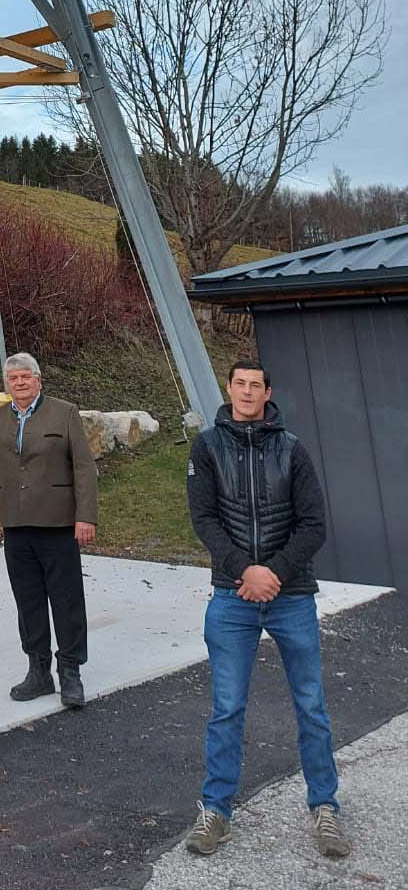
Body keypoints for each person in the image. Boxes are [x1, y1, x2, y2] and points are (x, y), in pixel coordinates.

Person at [183, 360, 349, 860]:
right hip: (232, 597)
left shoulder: (292, 449)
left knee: (311, 707)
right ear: (230, 390)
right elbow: (204, 519)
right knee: (227, 709)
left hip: (291, 595)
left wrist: (272, 573)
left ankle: (325, 808)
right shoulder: (207, 447)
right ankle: (216, 811)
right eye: (240, 384)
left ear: (268, 393)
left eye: (256, 385)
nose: (248, 392)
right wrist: (244, 572)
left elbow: (313, 524)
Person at [0, 351, 98, 710]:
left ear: (38, 379)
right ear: (7, 384)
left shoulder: (65, 412)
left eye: (26, 376)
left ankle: (70, 671)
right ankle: (38, 670)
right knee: (28, 601)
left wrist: (85, 516)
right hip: (16, 525)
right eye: (13, 378)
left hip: (59, 523)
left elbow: (84, 469)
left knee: (66, 599)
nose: (20, 383)